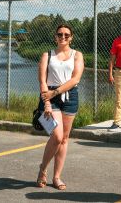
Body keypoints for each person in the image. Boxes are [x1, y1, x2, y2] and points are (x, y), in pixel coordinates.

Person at [36, 24, 84, 189]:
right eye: (60, 34)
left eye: (66, 34)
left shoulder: (77, 55)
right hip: (49, 97)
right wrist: (47, 103)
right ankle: (43, 169)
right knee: (56, 136)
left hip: (70, 97)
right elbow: (42, 80)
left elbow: (75, 79)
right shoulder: (47, 55)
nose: (63, 37)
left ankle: (57, 177)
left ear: (71, 37)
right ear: (55, 37)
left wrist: (55, 92)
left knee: (64, 139)